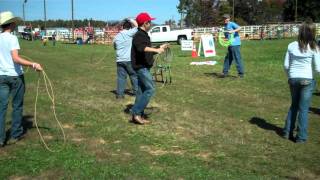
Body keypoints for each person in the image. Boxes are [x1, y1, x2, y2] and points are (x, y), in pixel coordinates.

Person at [0, 11, 43, 147]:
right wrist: (33, 64)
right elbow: (16, 58)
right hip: (15, 77)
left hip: (1, 76)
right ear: (12, 23)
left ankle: (1, 139)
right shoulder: (12, 38)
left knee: (2, 107)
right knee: (17, 106)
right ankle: (14, 135)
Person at [283, 21, 320, 143]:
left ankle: (287, 133)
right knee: (303, 109)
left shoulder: (291, 45)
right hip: (307, 80)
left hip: (293, 79)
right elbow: (318, 68)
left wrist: (290, 77)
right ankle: (301, 137)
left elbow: (286, 65)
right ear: (312, 33)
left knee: (294, 106)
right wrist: (312, 79)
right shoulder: (314, 47)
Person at [130, 12, 167, 125]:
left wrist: (158, 48)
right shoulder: (139, 35)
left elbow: (146, 50)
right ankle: (136, 112)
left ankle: (138, 115)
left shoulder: (144, 35)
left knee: (141, 91)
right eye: (150, 22)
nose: (151, 23)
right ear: (145, 23)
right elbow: (142, 48)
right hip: (141, 68)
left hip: (144, 66)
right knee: (150, 89)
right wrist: (156, 50)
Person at [113, 19, 138, 99]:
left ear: (122, 27)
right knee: (133, 76)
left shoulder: (116, 36)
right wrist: (130, 19)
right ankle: (136, 93)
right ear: (130, 28)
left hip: (119, 60)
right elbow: (137, 26)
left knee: (121, 78)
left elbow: (115, 47)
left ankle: (120, 95)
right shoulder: (129, 33)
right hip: (129, 60)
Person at [221, 14, 244, 78]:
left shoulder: (231, 23)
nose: (225, 19)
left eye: (226, 18)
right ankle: (225, 72)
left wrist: (233, 31)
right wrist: (222, 39)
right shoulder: (225, 27)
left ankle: (241, 74)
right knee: (228, 58)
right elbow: (227, 37)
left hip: (235, 44)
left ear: (229, 18)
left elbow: (240, 28)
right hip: (230, 45)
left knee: (237, 58)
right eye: (224, 18)